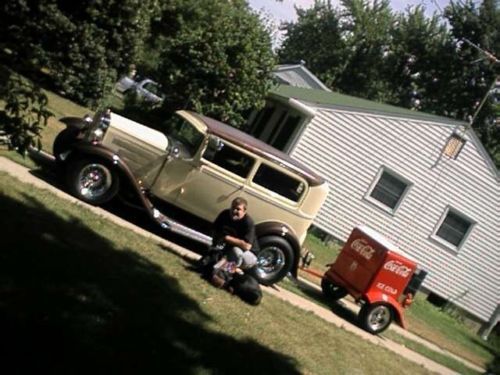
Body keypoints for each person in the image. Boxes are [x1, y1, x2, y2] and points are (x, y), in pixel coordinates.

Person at [212, 197, 258, 271]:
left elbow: (247, 246)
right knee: (216, 253)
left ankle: (226, 273)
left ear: (244, 211)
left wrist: (227, 238)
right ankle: (217, 269)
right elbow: (215, 230)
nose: (234, 211)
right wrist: (215, 243)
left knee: (236, 253)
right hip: (229, 248)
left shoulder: (248, 222)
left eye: (238, 209)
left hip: (248, 255)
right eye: (233, 207)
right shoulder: (224, 214)